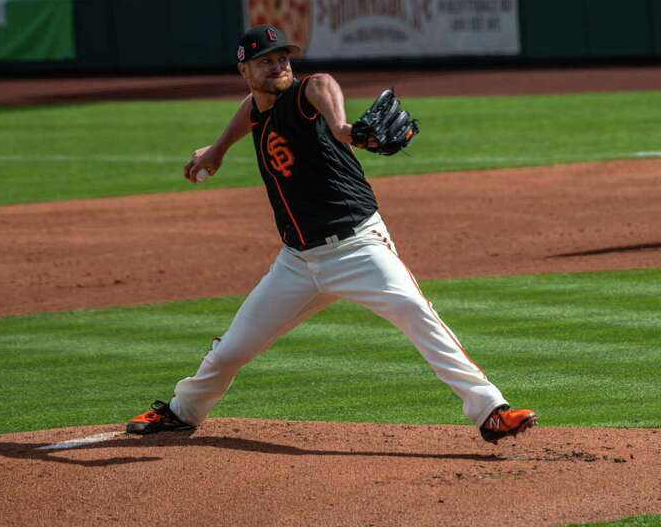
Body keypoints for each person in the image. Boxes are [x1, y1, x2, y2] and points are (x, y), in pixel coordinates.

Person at [124, 26, 538, 444]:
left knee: (417, 313)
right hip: (297, 263)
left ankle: (491, 410)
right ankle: (182, 412)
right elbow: (250, 109)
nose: (278, 65)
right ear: (244, 68)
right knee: (231, 350)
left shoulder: (304, 97)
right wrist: (216, 150)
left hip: (358, 246)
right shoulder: (259, 107)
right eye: (265, 60)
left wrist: (341, 125)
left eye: (283, 58)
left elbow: (321, 82)